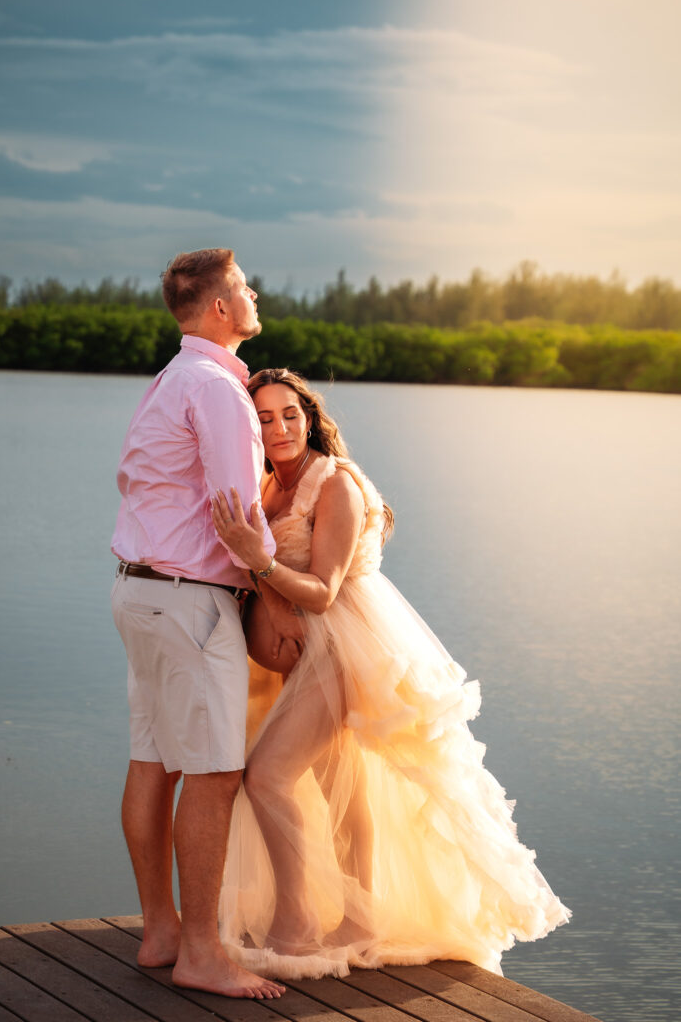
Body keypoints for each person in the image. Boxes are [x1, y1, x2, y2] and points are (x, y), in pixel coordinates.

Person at [212, 367, 570, 980]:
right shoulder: (269, 484)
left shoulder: (335, 484)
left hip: (348, 648)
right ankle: (359, 920)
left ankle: (297, 924)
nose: (278, 426)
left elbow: (323, 593)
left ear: (310, 416)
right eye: (264, 417)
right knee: (338, 785)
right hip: (304, 659)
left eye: (289, 413)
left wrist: (259, 560)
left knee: (267, 775)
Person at [110, 248, 288, 998]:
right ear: (219, 309)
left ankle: (161, 930)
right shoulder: (216, 389)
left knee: (154, 759)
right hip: (189, 601)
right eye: (244, 288)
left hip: (138, 592)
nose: (253, 296)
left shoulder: (167, 380)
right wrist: (276, 576)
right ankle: (203, 951)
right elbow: (237, 512)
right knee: (214, 774)